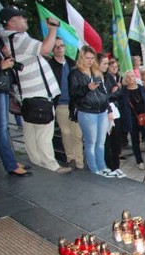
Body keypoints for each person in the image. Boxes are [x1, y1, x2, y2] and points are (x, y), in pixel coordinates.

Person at [0, 6, 72, 174]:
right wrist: (52, 30)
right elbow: (46, 49)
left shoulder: (10, 38)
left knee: (31, 130)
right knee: (44, 131)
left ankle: (37, 161)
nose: (25, 19)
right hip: (38, 92)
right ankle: (50, 165)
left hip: (28, 93)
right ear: (11, 22)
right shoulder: (18, 38)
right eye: (21, 17)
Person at [69, 46, 114, 177]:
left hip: (102, 111)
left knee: (101, 142)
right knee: (91, 142)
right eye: (87, 58)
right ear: (81, 58)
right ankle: (94, 170)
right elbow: (73, 93)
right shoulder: (75, 73)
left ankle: (102, 166)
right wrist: (87, 88)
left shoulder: (96, 72)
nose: (89, 61)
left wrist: (108, 109)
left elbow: (103, 93)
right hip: (87, 111)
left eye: (92, 58)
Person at [0, 30, 29, 176]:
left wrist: (7, 56)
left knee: (2, 127)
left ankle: (11, 161)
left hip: (2, 86)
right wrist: (0, 66)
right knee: (1, 128)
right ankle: (10, 164)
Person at [48, 37, 83, 169]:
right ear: (52, 50)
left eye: (62, 45)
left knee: (77, 134)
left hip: (75, 103)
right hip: (61, 104)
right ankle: (71, 158)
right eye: (56, 46)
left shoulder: (72, 63)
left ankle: (79, 161)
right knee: (66, 132)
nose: (60, 48)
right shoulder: (50, 65)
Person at [120, 70, 145, 170]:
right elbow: (122, 106)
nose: (130, 78)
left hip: (144, 117)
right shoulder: (124, 91)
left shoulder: (141, 88)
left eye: (132, 76)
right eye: (128, 77)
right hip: (131, 118)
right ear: (125, 79)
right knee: (135, 140)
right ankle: (139, 161)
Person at [99, 54, 125, 178]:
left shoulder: (109, 77)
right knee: (106, 142)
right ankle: (107, 166)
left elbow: (118, 92)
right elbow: (101, 96)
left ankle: (116, 166)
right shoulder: (95, 77)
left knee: (116, 141)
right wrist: (110, 95)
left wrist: (110, 95)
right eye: (104, 63)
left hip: (114, 112)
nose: (107, 66)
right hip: (102, 112)